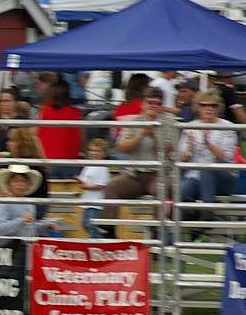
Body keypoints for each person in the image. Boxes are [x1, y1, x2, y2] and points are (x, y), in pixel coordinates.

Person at [0, 165, 57, 315]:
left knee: (26, 294)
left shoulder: (29, 204)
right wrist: (21, 221)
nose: (21, 184)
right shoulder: (5, 203)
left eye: (23, 181)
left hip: (25, 254)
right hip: (9, 254)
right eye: (17, 181)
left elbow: (29, 228)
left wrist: (44, 227)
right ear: (10, 184)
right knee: (5, 295)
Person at [100, 87, 177, 238]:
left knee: (162, 189)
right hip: (134, 174)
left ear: (161, 106)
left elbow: (169, 149)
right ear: (142, 104)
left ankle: (158, 235)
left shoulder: (169, 123)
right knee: (112, 186)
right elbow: (122, 147)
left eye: (157, 103)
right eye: (150, 102)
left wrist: (154, 136)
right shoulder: (132, 121)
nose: (153, 106)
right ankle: (109, 231)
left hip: (158, 174)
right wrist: (141, 135)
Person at [177, 89, 238, 225]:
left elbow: (225, 157)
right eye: (204, 105)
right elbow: (183, 159)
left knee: (206, 170)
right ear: (197, 107)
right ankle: (194, 223)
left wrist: (208, 144)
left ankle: (207, 210)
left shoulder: (227, 127)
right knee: (182, 190)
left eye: (213, 105)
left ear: (219, 108)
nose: (208, 108)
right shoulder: (190, 127)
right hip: (194, 176)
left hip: (224, 176)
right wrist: (190, 148)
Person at [35, 77, 83, 179]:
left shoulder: (44, 112)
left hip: (47, 160)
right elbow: (82, 138)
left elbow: (35, 135)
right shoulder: (76, 113)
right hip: (71, 162)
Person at [77, 138, 110, 239]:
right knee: (84, 223)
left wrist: (85, 187)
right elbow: (83, 179)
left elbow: (101, 185)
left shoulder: (102, 167)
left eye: (97, 151)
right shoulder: (88, 165)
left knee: (90, 224)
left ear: (104, 153)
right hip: (87, 201)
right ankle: (98, 239)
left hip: (96, 203)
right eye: (91, 150)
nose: (94, 153)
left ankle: (100, 240)